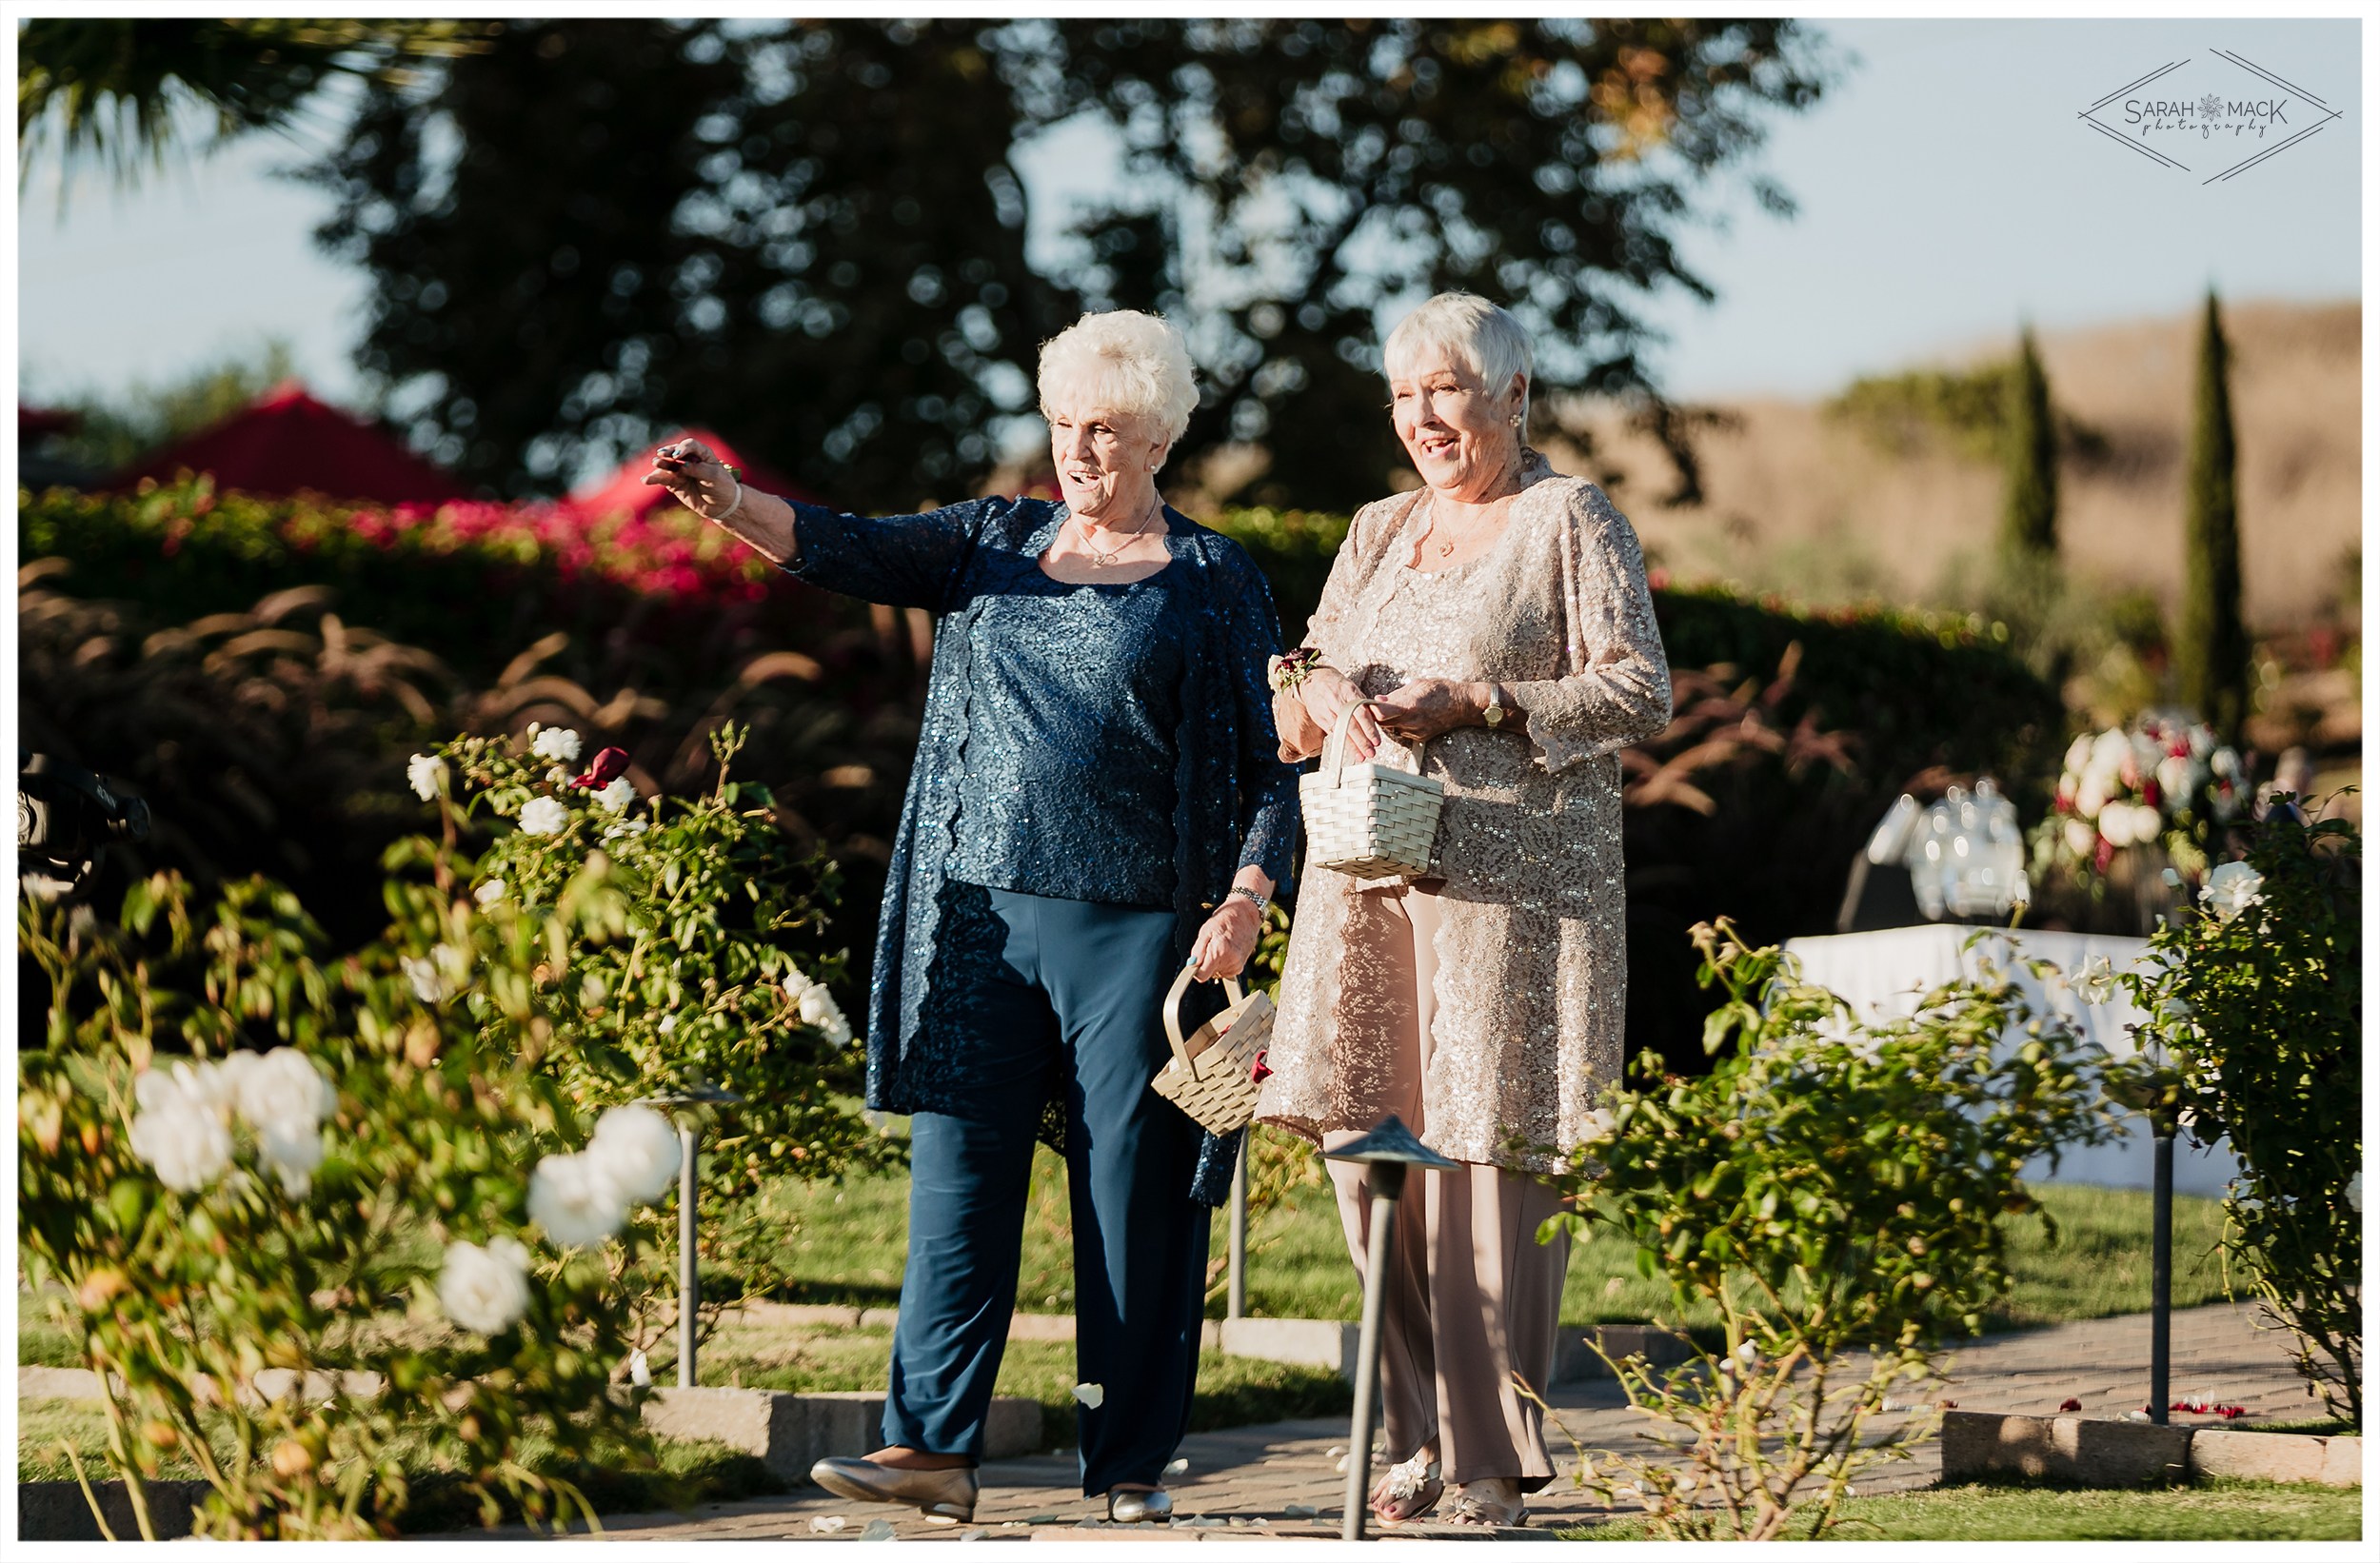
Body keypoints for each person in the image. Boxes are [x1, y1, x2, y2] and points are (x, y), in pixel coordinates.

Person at [645, 310, 1299, 1525]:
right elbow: (845, 545)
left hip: (1135, 931)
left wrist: (1250, 896)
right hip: (974, 923)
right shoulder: (989, 541)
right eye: (1061, 424)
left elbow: (1276, 763)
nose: (1078, 451)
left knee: (1129, 1199)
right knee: (956, 1176)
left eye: (1105, 428)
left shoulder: (1213, 581)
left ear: (1157, 435)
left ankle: (1128, 1462)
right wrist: (730, 500)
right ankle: (930, 1451)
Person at [1257, 292, 1672, 1529]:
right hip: (1364, 886)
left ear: (1512, 396)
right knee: (1361, 1151)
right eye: (1404, 395)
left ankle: (1492, 1461)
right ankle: (1415, 1433)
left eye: (1447, 390)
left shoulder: (1567, 517)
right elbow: (1292, 691)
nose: (1424, 416)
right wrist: (1318, 681)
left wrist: (1482, 700)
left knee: (1485, 1167)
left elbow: (1638, 689)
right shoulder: (1378, 528)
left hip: (1515, 894)